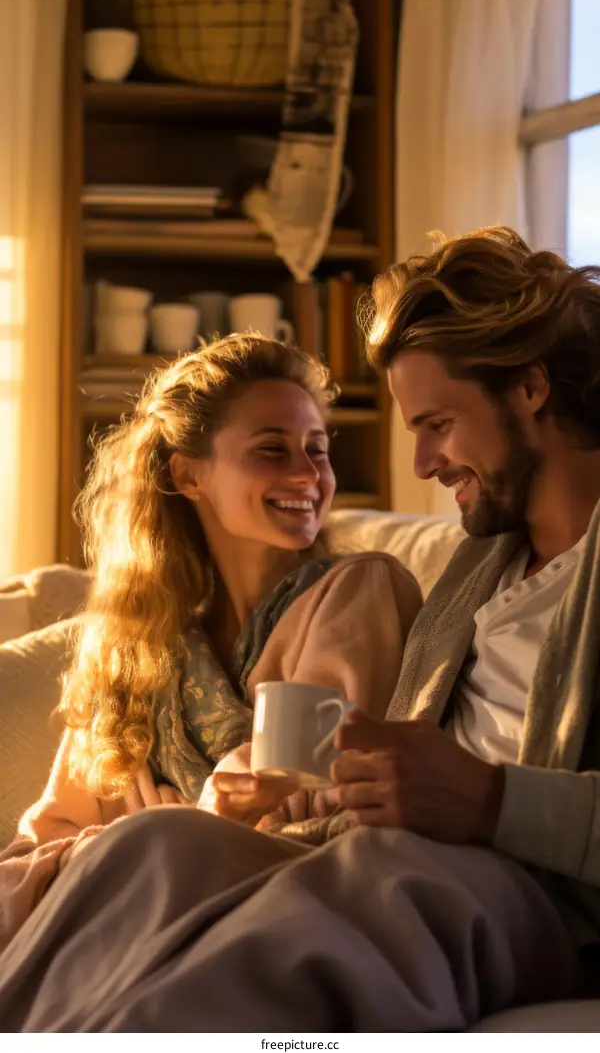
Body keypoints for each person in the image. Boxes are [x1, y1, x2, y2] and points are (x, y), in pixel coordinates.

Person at [1, 225, 596, 1033]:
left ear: (529, 388)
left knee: (337, 890)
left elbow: (448, 805)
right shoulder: (480, 570)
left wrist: (491, 799)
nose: (420, 464)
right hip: (396, 846)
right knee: (151, 850)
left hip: (513, 880)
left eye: (438, 424)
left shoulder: (367, 590)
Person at [0, 333, 421, 956]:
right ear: (187, 475)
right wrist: (144, 840)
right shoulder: (132, 654)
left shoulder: (358, 593)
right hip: (119, 943)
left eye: (318, 450)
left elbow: (323, 828)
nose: (307, 475)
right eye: (271, 450)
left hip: (274, 939)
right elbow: (25, 867)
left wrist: (170, 834)